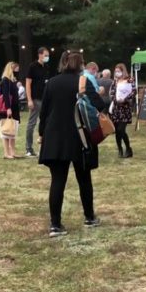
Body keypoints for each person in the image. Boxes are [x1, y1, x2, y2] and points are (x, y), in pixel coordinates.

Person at [39, 51, 106, 237]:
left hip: (54, 136)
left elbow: (44, 112)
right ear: (79, 64)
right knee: (84, 179)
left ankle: (55, 224)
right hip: (79, 135)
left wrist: (42, 134)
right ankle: (89, 217)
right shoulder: (82, 82)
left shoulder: (51, 83)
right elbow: (100, 104)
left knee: (57, 181)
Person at [25, 47, 51, 157]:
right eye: (45, 55)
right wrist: (29, 99)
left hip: (45, 99)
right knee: (32, 123)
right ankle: (29, 148)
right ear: (40, 55)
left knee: (45, 122)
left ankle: (43, 147)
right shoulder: (32, 66)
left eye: (48, 55)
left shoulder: (46, 67)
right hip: (35, 99)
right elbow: (28, 84)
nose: (47, 57)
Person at [109, 63, 134, 158]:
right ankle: (120, 149)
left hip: (125, 109)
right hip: (116, 108)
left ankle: (128, 148)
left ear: (123, 71)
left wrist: (125, 100)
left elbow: (133, 91)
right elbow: (111, 93)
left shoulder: (130, 80)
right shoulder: (114, 82)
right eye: (115, 71)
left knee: (121, 129)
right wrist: (116, 100)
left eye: (119, 71)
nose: (117, 73)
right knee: (117, 130)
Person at [0, 62, 21, 159]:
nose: (17, 70)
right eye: (15, 68)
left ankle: (12, 152)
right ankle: (6, 153)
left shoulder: (13, 80)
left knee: (13, 130)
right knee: (6, 131)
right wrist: (8, 108)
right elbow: (6, 95)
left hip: (15, 107)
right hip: (7, 108)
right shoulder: (5, 80)